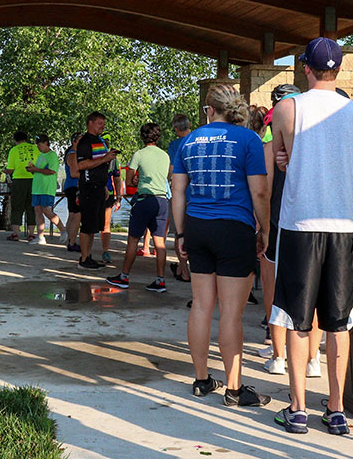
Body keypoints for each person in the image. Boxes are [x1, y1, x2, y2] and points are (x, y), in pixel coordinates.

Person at [270, 37, 353, 436]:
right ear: (339, 70)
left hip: (299, 225)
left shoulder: (287, 108)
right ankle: (337, 408)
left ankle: (296, 408)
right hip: (342, 225)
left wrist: (289, 156)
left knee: (298, 320)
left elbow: (281, 156)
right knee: (339, 323)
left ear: (305, 68)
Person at [172, 84, 269, 407]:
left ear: (208, 110)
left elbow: (179, 192)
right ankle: (234, 388)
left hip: (198, 226)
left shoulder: (188, 141)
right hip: (234, 229)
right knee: (231, 313)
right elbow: (259, 193)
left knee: (201, 305)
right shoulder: (249, 140)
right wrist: (265, 228)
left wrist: (181, 233)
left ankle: (201, 379)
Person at [257, 85, 321, 378]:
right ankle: (313, 360)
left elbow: (265, 189)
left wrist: (262, 227)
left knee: (274, 291)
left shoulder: (270, 148)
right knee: (312, 290)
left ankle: (279, 355)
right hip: (314, 225)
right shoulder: (318, 143)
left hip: (280, 223)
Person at [108, 123, 171, 292]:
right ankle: (160, 280)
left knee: (133, 241)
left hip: (144, 200)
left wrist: (136, 180)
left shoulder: (139, 154)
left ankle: (124, 277)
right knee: (160, 244)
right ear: (158, 136)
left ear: (142, 137)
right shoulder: (165, 156)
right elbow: (167, 176)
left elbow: (128, 181)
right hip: (162, 201)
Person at [75, 113, 118, 270]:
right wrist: (104, 159)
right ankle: (84, 259)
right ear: (90, 123)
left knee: (94, 226)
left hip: (100, 187)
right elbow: (81, 165)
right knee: (87, 225)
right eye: (100, 123)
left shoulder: (99, 141)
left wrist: (105, 185)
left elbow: (101, 167)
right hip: (88, 188)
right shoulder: (85, 142)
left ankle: (88, 256)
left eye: (103, 123)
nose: (102, 126)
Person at [165, 115, 193, 282]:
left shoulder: (175, 145)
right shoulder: (198, 139)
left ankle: (184, 271)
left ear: (176, 128)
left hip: (180, 195)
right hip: (197, 195)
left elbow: (172, 171)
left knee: (179, 234)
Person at [27, 134, 64, 245]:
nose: (38, 147)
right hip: (37, 187)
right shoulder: (41, 155)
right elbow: (39, 170)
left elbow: (52, 171)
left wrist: (36, 169)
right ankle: (40, 236)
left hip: (47, 188)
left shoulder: (52, 156)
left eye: (39, 144)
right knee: (37, 211)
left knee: (47, 210)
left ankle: (63, 230)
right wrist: (33, 169)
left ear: (45, 143)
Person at [4, 131, 37, 241]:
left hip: (19, 180)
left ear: (15, 140)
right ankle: (31, 234)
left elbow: (10, 169)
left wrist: (5, 171)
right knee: (31, 207)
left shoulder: (14, 150)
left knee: (17, 207)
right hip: (34, 179)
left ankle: (15, 233)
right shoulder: (35, 148)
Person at [100, 132, 123, 263]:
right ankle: (86, 253)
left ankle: (106, 251)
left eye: (108, 141)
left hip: (109, 193)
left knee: (106, 224)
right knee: (90, 223)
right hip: (95, 192)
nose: (106, 143)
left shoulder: (113, 160)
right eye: (104, 141)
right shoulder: (95, 156)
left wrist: (118, 197)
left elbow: (118, 178)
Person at [62, 132, 82, 253]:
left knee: (72, 214)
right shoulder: (73, 154)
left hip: (71, 186)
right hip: (74, 187)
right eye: (80, 140)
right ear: (74, 142)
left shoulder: (73, 154)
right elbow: (74, 173)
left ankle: (69, 239)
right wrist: (88, 175)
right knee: (77, 214)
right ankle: (72, 242)